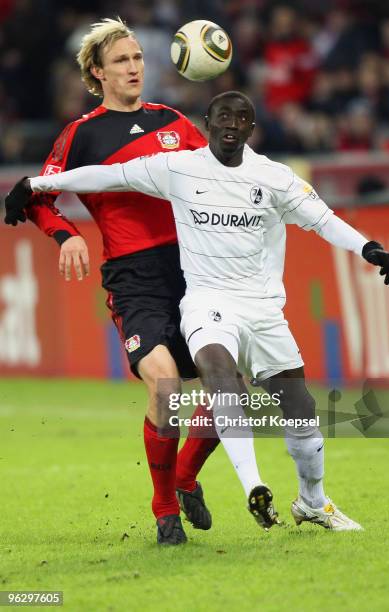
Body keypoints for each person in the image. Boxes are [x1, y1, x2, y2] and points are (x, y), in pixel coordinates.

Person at [5, 91, 389, 531]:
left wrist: (367, 246)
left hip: (263, 309)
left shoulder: (274, 178)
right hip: (205, 303)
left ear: (252, 128)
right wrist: (37, 186)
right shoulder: (178, 168)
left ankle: (312, 501)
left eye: (242, 117)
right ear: (206, 124)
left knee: (300, 408)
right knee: (216, 381)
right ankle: (247, 488)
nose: (232, 124)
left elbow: (323, 218)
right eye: (223, 116)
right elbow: (110, 174)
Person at [3, 17, 222, 546]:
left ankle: (188, 474)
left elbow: (218, 176)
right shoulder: (82, 134)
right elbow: (37, 196)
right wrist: (66, 237)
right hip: (135, 277)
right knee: (167, 387)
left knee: (227, 389)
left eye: (138, 59)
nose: (133, 68)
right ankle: (165, 504)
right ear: (97, 73)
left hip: (194, 270)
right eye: (121, 61)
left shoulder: (173, 121)